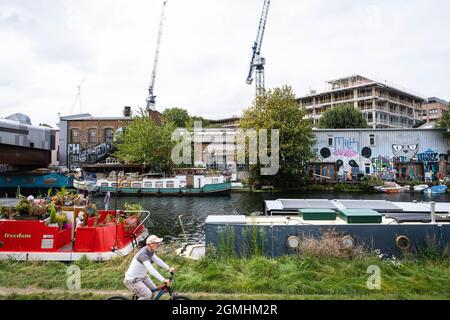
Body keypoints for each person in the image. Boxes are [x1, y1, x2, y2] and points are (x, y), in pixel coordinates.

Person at [124, 235, 176, 300]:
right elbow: (151, 270)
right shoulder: (143, 254)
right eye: (157, 243)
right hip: (133, 280)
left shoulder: (150, 251)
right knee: (147, 295)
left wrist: (168, 268)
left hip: (142, 276)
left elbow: (157, 260)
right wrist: (163, 280)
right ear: (151, 244)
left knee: (154, 291)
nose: (159, 244)